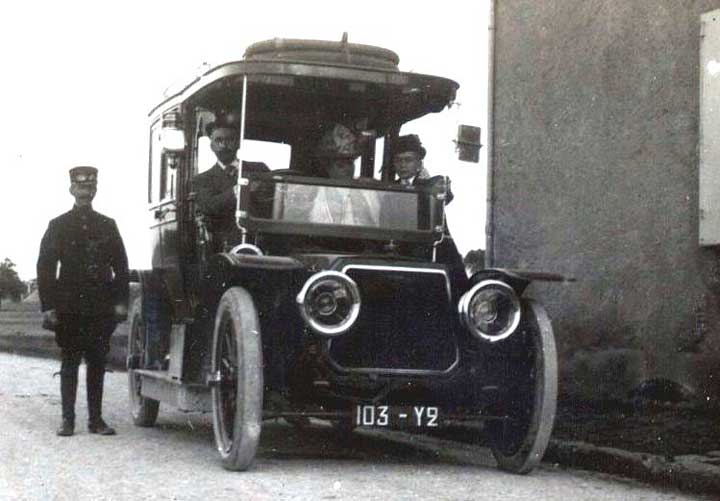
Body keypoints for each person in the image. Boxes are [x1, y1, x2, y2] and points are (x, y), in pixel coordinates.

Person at [37, 166, 129, 436]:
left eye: (90, 186)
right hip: (69, 308)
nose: (85, 191)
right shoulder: (58, 225)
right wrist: (49, 306)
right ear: (71, 189)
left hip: (101, 308)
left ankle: (96, 420)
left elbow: (121, 268)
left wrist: (120, 304)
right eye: (80, 186)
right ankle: (68, 420)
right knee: (69, 362)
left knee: (98, 363)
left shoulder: (108, 225)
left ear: (96, 189)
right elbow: (45, 267)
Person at [192, 114, 269, 250]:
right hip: (226, 246)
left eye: (229, 140)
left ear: (238, 143)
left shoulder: (260, 170)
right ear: (211, 146)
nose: (224, 145)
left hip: (264, 241)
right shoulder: (202, 180)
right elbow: (210, 206)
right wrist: (238, 191)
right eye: (218, 140)